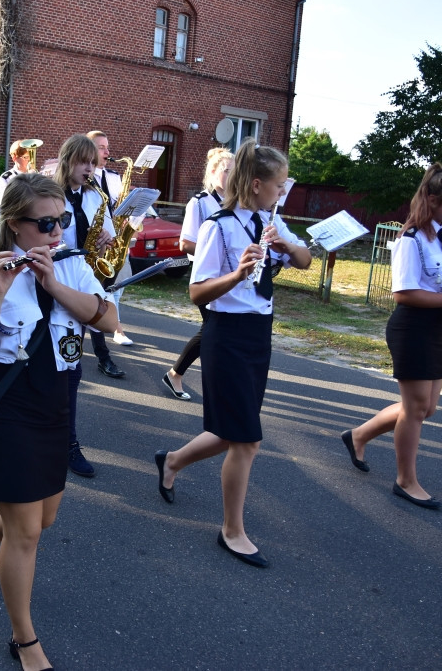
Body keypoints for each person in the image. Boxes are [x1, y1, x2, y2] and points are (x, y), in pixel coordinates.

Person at [0, 173, 117, 671]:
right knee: (27, 533)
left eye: (62, 220)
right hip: (10, 406)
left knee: (43, 517)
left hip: (58, 402)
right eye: (45, 223)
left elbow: (107, 320)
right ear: (14, 223)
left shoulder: (72, 263)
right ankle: (24, 640)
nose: (56, 231)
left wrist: (53, 283)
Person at [155, 139, 311, 568]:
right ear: (257, 183)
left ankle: (171, 461)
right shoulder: (218, 226)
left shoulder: (268, 220)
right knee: (247, 440)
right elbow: (197, 292)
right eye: (279, 184)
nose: (283, 192)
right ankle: (232, 530)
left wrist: (287, 248)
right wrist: (237, 273)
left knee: (230, 431)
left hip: (259, 333)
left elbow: (306, 261)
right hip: (225, 334)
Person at [340, 165, 442, 510]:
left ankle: (358, 435)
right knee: (416, 408)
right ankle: (405, 480)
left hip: (434, 327)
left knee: (425, 408)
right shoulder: (410, 239)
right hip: (410, 328)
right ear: (433, 200)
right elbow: (404, 293)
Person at [55, 134, 116, 477]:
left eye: (93, 163)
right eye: (83, 162)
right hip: (53, 280)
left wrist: (106, 239)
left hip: (83, 281)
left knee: (72, 368)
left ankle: (68, 442)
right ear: (68, 161)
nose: (90, 169)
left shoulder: (96, 197)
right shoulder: (49, 194)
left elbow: (105, 235)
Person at [162, 148, 234, 400]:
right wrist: (217, 251)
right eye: (227, 170)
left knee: (219, 328)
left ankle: (177, 374)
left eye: (235, 171)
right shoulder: (200, 202)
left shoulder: (237, 204)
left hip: (230, 277)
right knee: (213, 327)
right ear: (213, 172)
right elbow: (186, 243)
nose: (232, 175)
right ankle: (176, 374)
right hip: (206, 276)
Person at [87, 129, 134, 346]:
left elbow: (119, 205)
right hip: (96, 242)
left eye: (108, 147)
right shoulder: (85, 179)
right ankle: (112, 334)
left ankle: (114, 327)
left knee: (116, 286)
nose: (107, 152)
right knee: (99, 290)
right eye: (102, 147)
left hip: (115, 240)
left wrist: (127, 218)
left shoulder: (114, 177)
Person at [0, 140, 33, 208]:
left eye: (30, 156)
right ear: (14, 157)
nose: (29, 160)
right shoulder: (7, 178)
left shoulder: (36, 175)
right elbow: (4, 203)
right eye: (26, 157)